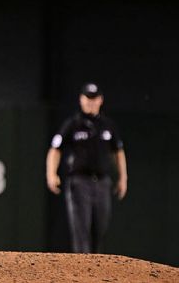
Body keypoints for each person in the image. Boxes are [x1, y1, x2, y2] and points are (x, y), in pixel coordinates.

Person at [46, 83, 128, 253]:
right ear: (81, 99)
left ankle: (95, 271)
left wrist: (123, 178)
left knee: (100, 228)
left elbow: (118, 152)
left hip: (102, 182)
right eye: (87, 98)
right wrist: (51, 174)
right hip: (79, 182)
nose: (91, 102)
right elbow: (55, 149)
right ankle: (82, 271)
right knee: (81, 228)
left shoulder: (108, 125)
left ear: (100, 100)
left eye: (94, 98)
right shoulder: (73, 124)